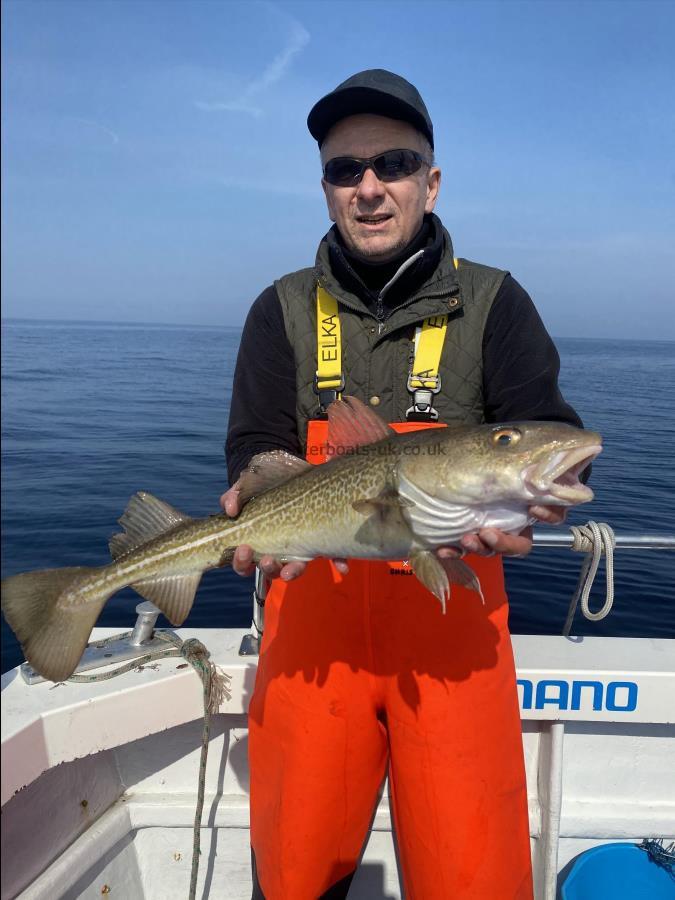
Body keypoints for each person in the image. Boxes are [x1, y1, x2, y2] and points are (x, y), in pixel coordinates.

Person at [222, 69, 583, 900]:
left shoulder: (496, 303)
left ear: (431, 179)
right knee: (297, 873)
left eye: (393, 162)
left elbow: (550, 430)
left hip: (453, 633)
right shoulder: (277, 309)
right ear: (324, 189)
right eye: (346, 171)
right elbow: (253, 444)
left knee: (472, 877)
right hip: (313, 632)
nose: (370, 187)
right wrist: (249, 492)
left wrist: (532, 502)